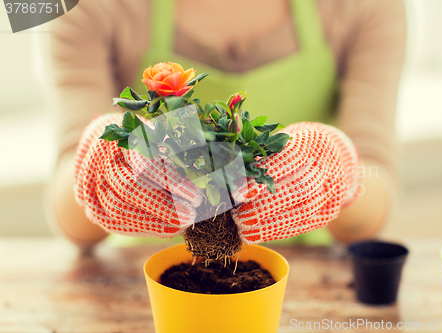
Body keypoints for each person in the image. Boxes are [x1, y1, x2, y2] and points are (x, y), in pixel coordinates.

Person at [47, 0, 406, 249]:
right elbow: (71, 221)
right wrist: (95, 163)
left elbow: (373, 201)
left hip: (304, 273)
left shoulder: (366, 6)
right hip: (148, 271)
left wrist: (338, 172)